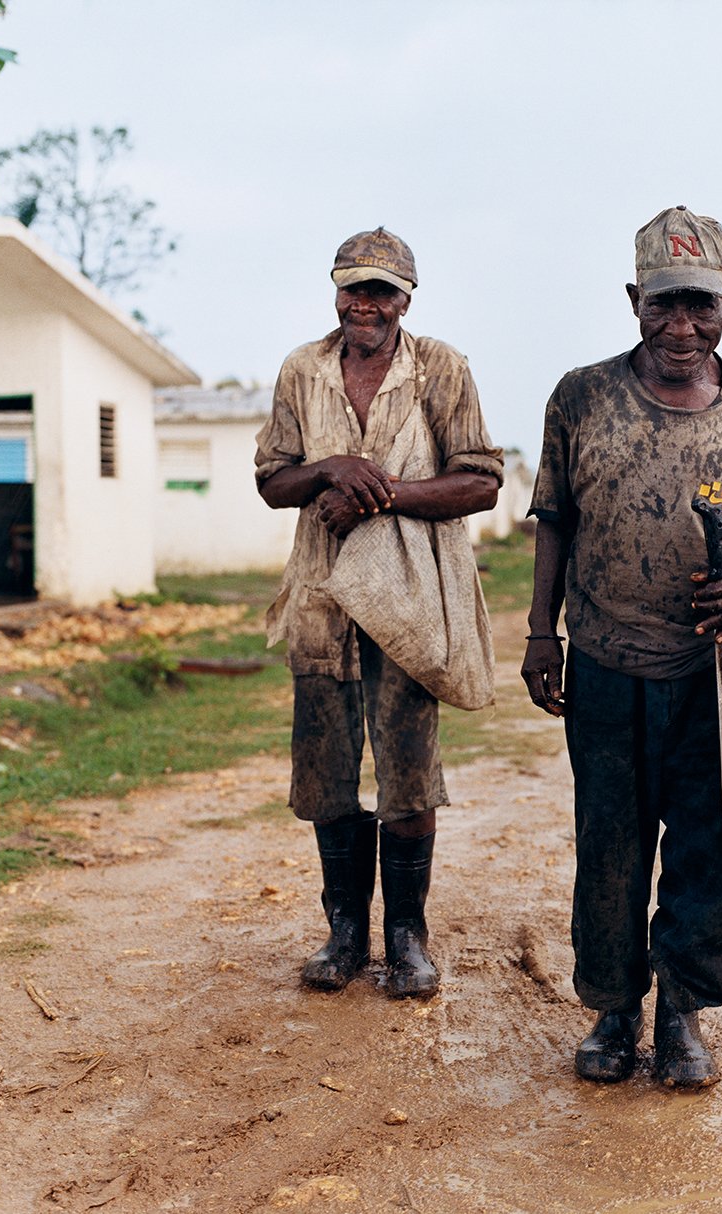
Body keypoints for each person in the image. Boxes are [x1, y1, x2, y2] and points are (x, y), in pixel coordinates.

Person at [521, 206, 722, 1087]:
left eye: (700, 306)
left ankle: (683, 1014)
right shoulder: (580, 396)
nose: (680, 327)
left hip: (716, 675)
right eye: (662, 306)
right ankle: (615, 1013)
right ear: (632, 301)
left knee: (710, 847)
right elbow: (554, 521)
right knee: (609, 844)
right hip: (608, 663)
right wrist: (543, 635)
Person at [256, 227, 503, 1000]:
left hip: (409, 602)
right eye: (353, 287)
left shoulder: (441, 369)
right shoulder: (304, 369)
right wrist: (333, 467)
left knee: (409, 780)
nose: (366, 302)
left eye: (381, 290)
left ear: (406, 298)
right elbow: (273, 481)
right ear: (336, 290)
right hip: (323, 600)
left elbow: (482, 482)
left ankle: (407, 940)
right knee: (327, 781)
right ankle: (344, 935)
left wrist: (382, 492)